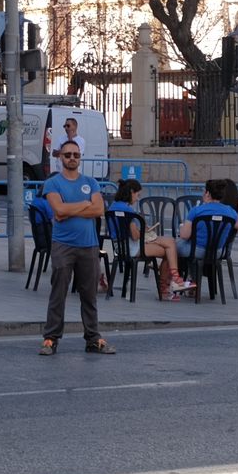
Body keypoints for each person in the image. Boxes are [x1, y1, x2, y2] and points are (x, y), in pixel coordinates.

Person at [40, 142, 116, 354]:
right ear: (61, 158)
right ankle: (51, 338)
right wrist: (84, 204)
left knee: (89, 295)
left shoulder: (91, 182)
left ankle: (93, 338)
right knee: (59, 292)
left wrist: (69, 210)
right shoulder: (53, 183)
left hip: (89, 245)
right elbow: (58, 209)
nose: (72, 157)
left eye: (76, 154)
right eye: (68, 154)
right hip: (63, 245)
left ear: (80, 157)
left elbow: (99, 209)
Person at [113, 178, 186, 301]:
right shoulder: (128, 210)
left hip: (119, 246)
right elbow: (135, 236)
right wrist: (143, 231)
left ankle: (172, 280)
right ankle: (169, 284)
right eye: (137, 195)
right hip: (131, 247)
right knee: (169, 250)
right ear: (131, 192)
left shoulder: (114, 206)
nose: (137, 198)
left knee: (169, 244)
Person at [174, 178, 238, 292]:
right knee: (186, 248)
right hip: (218, 252)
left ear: (207, 193)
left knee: (174, 246)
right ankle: (191, 281)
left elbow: (184, 235)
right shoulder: (230, 212)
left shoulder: (197, 211)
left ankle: (179, 281)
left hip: (197, 250)